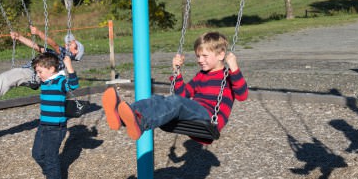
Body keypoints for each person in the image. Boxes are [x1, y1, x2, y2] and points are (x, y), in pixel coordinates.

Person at [102, 31, 248, 144]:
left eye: (204, 56)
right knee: (158, 99)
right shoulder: (201, 75)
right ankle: (123, 116)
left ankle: (142, 122)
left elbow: (242, 95)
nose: (200, 60)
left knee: (176, 102)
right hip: (193, 113)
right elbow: (183, 94)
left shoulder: (229, 76)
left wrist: (234, 68)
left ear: (221, 55)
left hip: (209, 118)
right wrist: (177, 72)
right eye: (198, 56)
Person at [0, 25, 84, 109]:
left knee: (4, 80)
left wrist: (39, 33)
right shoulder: (57, 55)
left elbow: (54, 44)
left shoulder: (65, 56)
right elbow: (37, 47)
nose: (70, 43)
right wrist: (19, 37)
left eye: (74, 44)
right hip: (31, 72)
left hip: (33, 75)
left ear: (75, 52)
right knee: (1, 79)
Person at [31, 51, 79, 179]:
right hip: (43, 125)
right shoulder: (45, 82)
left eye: (40, 71)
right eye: (37, 72)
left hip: (56, 127)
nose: (38, 75)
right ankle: (52, 174)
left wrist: (69, 65)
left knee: (51, 156)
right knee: (37, 154)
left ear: (51, 69)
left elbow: (74, 84)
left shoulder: (59, 81)